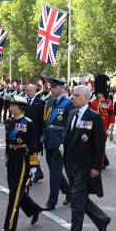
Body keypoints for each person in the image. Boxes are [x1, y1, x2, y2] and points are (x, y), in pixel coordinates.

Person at [57, 85, 110, 231]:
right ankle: (101, 219)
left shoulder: (94, 117)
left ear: (87, 98)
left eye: (77, 95)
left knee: (77, 203)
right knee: (78, 198)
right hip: (70, 164)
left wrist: (97, 167)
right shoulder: (72, 114)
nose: (73, 97)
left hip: (85, 167)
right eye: (73, 95)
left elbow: (99, 146)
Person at [1, 95, 43, 231]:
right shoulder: (9, 121)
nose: (11, 108)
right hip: (11, 159)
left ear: (20, 108)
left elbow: (34, 146)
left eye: (13, 106)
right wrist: (7, 157)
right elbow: (8, 143)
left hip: (22, 160)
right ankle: (34, 209)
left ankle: (9, 225)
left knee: (14, 194)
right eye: (11, 105)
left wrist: (34, 166)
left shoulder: (28, 123)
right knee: (15, 190)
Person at [42, 78, 73, 210]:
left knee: (54, 173)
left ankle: (52, 201)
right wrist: (43, 135)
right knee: (54, 170)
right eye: (51, 87)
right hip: (49, 140)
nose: (52, 89)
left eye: (54, 87)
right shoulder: (49, 102)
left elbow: (69, 125)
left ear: (61, 88)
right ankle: (69, 192)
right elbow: (45, 121)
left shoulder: (68, 104)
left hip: (60, 142)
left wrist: (65, 142)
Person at [89, 74, 115, 170]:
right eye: (98, 92)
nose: (99, 93)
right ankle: (104, 161)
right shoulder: (93, 103)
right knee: (95, 146)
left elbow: (112, 118)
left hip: (104, 129)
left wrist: (110, 129)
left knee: (101, 147)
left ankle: (99, 164)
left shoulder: (109, 104)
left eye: (101, 92)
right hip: (94, 128)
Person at [25, 83, 46, 182]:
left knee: (34, 153)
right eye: (27, 91)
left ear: (34, 92)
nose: (28, 93)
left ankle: (35, 173)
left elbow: (43, 120)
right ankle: (37, 172)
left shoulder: (41, 103)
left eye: (30, 91)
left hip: (36, 134)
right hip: (25, 133)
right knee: (28, 153)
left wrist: (43, 134)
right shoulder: (24, 102)